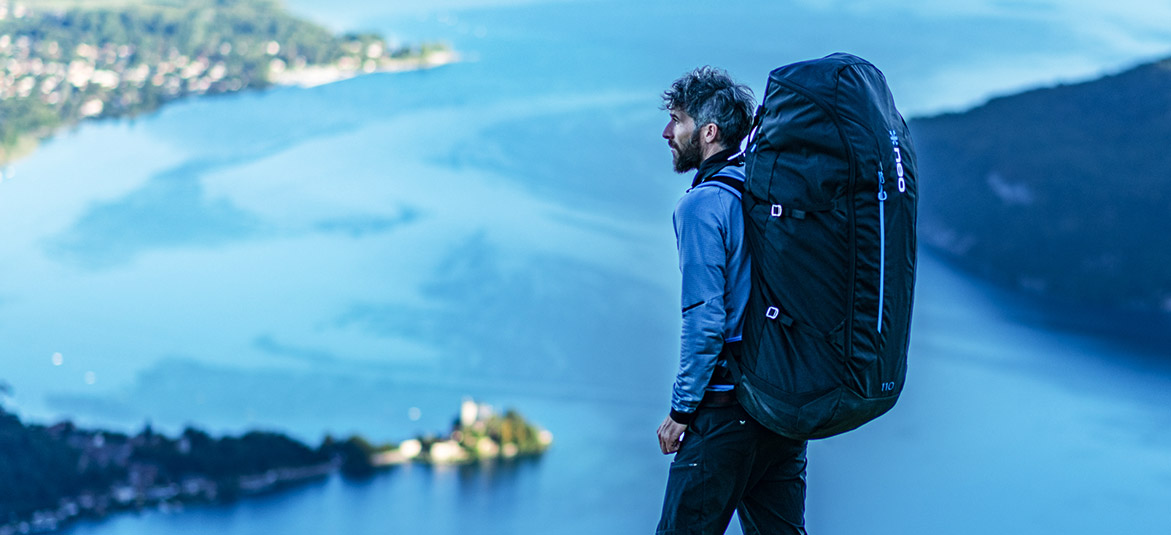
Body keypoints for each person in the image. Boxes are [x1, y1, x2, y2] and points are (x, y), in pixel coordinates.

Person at [655, 66, 809, 535]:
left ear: (708, 132)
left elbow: (705, 320)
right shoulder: (764, 192)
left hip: (725, 415)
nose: (666, 132)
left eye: (676, 120)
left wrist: (682, 412)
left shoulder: (702, 205)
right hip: (781, 408)